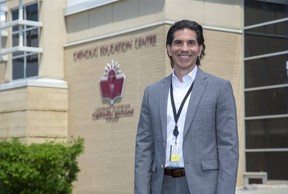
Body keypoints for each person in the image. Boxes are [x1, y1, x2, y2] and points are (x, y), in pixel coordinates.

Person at [134, 20, 239, 194]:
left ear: (200, 49)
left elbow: (228, 148)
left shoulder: (220, 88)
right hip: (161, 185)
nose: (184, 48)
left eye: (191, 43)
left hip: (204, 186)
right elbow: (143, 148)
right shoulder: (151, 92)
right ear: (169, 49)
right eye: (178, 43)